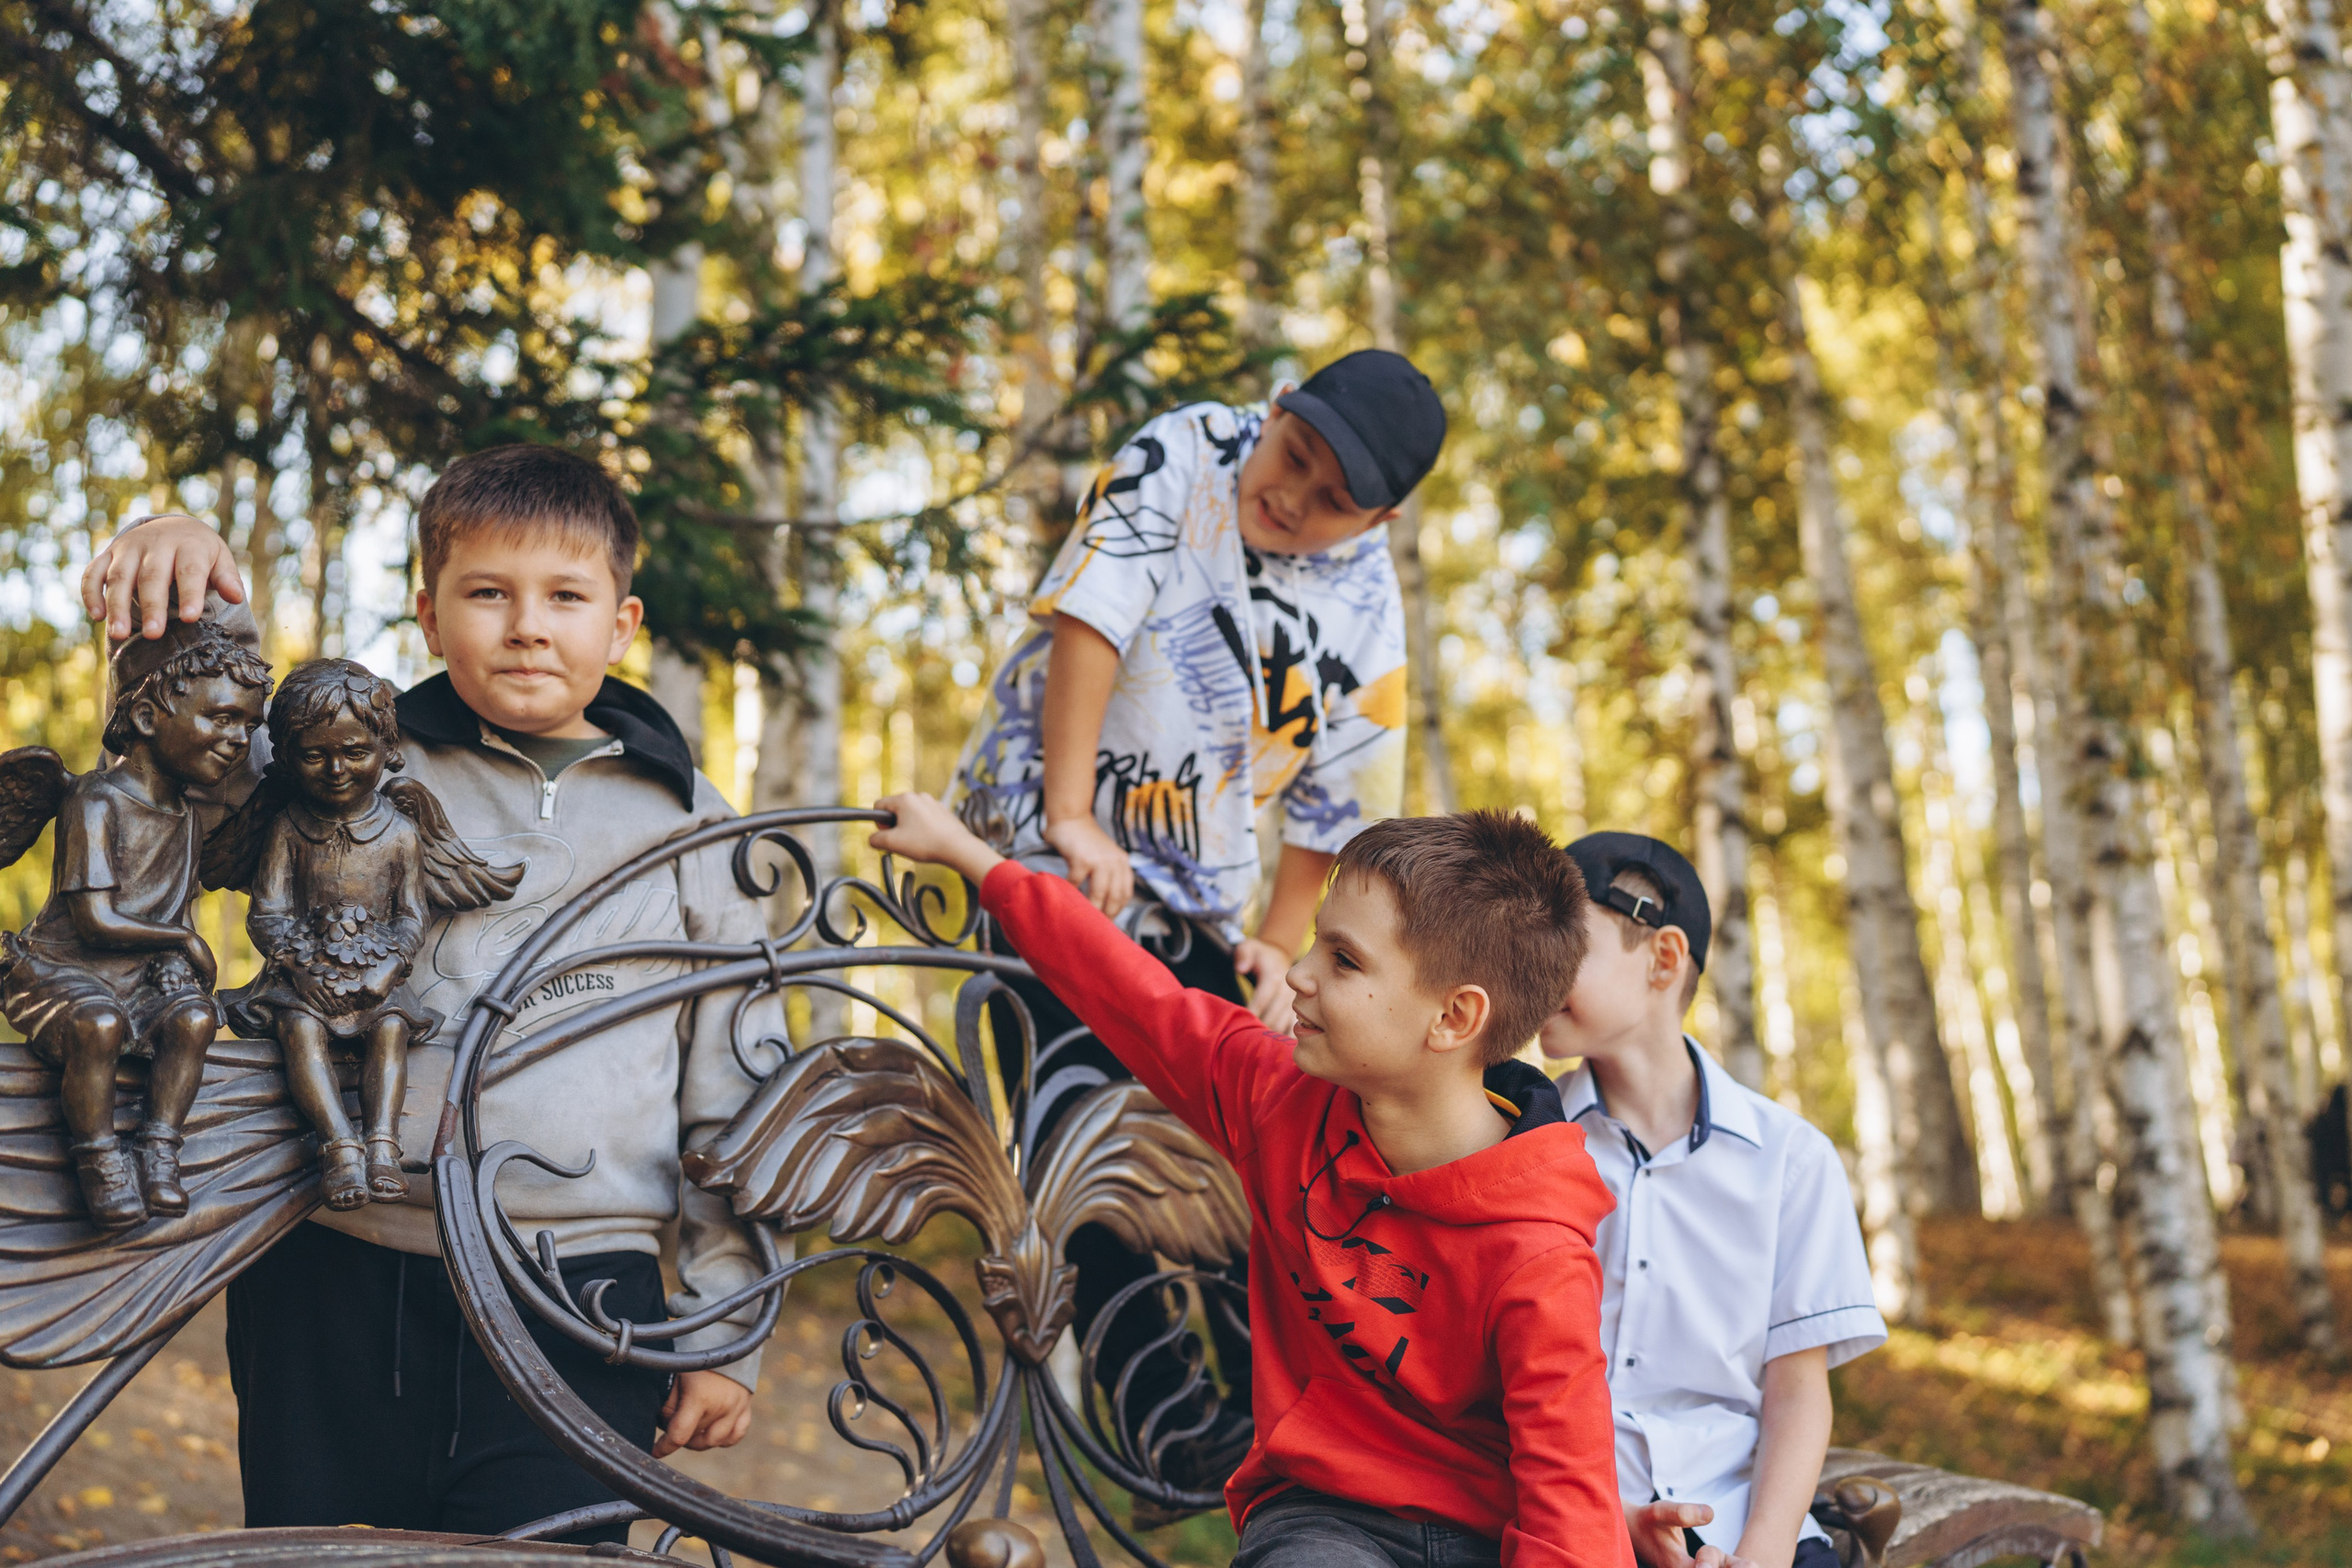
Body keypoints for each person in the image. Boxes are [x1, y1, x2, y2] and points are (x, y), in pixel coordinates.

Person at [80, 446, 774, 1541]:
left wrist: (726, 1327)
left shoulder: (695, 819)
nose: (528, 625)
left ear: (623, 623)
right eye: (487, 593)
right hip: (338, 1267)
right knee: (316, 1557)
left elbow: (736, 1084)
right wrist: (183, 586)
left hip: (585, 1298)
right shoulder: (339, 757)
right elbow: (185, 795)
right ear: (427, 612)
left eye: (565, 597)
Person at [869, 792, 1634, 1568]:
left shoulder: (1539, 1252)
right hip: (1324, 1521)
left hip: (1483, 1534)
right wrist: (975, 859)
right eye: (1313, 944)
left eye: (1342, 959)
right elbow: (1132, 992)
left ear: (1453, 1018)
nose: (1296, 974)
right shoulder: (1279, 1101)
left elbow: (1567, 1500)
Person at [949, 348, 1443, 1486]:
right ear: (1274, 413)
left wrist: (1278, 942)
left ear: (1383, 516)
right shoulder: (1181, 454)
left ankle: (1280, 1426)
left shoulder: (1368, 595)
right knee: (1088, 1135)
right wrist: (1072, 820)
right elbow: (1092, 623)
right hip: (1046, 852)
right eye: (1292, 460)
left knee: (1255, 1144)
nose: (1293, 501)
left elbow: (1335, 796)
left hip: (1201, 899)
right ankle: (1164, 1423)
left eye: (1334, 503)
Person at [1536, 833, 1886, 1568]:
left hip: (1738, 1517)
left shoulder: (1792, 1161)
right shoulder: (1521, 1144)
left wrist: (1760, 1556)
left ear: (1663, 960)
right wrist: (1603, 1515)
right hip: (1563, 1513)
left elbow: (1797, 1393)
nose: (1532, 968)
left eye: (1562, 943)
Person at [0, 616, 272, 1227]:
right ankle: (99, 1160)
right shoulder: (93, 800)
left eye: (248, 725)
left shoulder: (187, 818)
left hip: (138, 977)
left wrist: (178, 975)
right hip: (61, 970)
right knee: (97, 1025)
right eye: (220, 718)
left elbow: (173, 917)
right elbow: (94, 921)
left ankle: (159, 1148)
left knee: (197, 1017)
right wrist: (181, 939)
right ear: (148, 719)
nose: (237, 739)